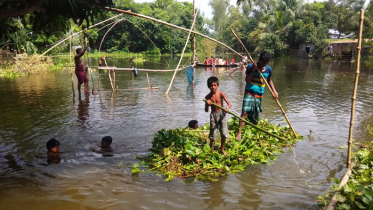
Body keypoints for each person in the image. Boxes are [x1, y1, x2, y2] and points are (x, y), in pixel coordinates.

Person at [236, 51, 278, 140]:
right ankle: (239, 134)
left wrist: (274, 91)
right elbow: (247, 80)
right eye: (262, 62)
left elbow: (269, 80)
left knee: (255, 115)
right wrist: (253, 70)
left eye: (265, 63)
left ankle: (254, 133)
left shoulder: (268, 69)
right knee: (244, 112)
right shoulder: (251, 66)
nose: (263, 65)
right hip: (249, 92)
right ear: (259, 60)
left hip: (259, 94)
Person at [204, 76, 232, 155]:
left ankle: (222, 149)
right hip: (213, 115)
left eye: (214, 85)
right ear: (208, 86)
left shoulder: (221, 94)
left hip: (222, 115)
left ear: (217, 85)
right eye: (211, 86)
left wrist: (227, 108)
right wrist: (207, 104)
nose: (213, 87)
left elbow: (229, 104)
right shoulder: (207, 97)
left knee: (224, 133)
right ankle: (212, 151)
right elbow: (206, 111)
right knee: (213, 134)